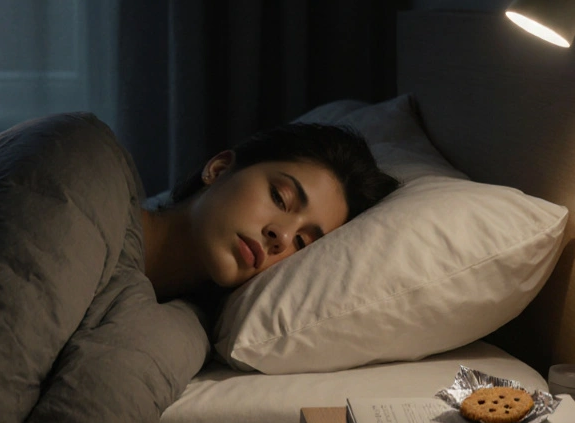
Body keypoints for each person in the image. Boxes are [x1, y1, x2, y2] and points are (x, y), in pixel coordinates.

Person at [141, 122, 399, 302]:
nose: (283, 237)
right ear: (219, 168)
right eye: (279, 197)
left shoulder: (182, 334)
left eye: (302, 242)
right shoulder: (106, 195)